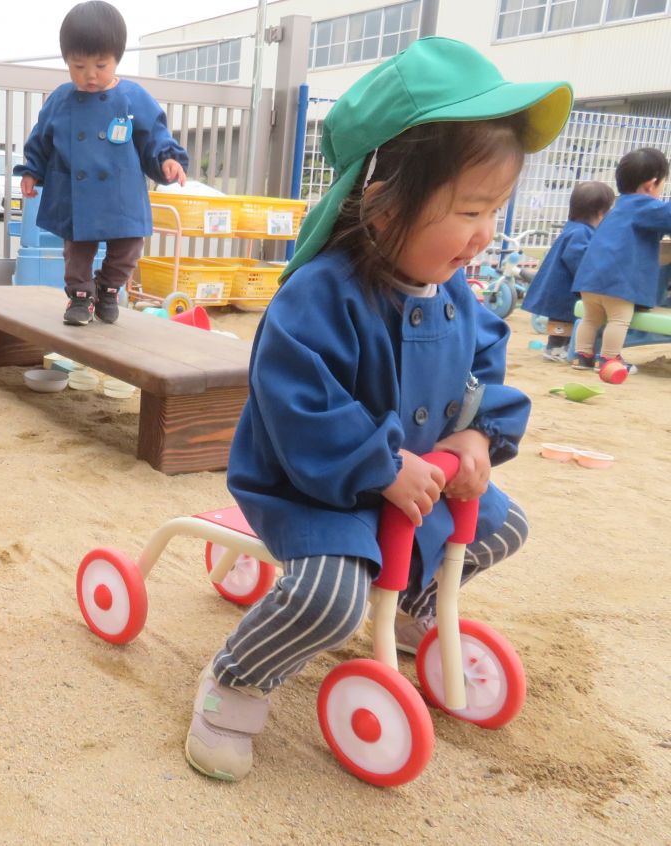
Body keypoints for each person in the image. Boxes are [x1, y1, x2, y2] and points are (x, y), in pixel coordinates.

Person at [183, 37, 572, 782]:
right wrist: (378, 463)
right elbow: (298, 404)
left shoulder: (456, 294)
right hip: (317, 486)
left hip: (416, 486)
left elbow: (485, 367)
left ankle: (415, 603)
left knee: (503, 526)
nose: (486, 233)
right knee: (331, 597)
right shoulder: (319, 295)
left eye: (495, 209)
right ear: (382, 199)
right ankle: (235, 679)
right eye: (468, 209)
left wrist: (478, 435)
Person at [15, 1, 188, 326]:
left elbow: (155, 136)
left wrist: (167, 159)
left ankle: (107, 288)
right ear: (66, 60)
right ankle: (80, 297)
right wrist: (31, 169)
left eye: (100, 65)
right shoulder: (61, 99)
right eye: (78, 66)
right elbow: (41, 138)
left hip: (121, 194)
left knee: (129, 247)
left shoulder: (133, 98)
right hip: (75, 193)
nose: (90, 75)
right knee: (76, 251)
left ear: (116, 59)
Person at [571, 147, 671, 376]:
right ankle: (609, 357)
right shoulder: (644, 206)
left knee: (590, 318)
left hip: (590, 279)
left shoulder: (618, 208)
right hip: (617, 281)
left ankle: (582, 355)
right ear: (651, 184)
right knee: (618, 320)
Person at [521, 181, 614, 362]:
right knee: (565, 321)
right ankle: (555, 349)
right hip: (563, 290)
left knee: (566, 321)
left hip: (560, 289)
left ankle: (559, 346)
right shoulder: (581, 233)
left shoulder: (575, 227)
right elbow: (577, 259)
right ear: (601, 212)